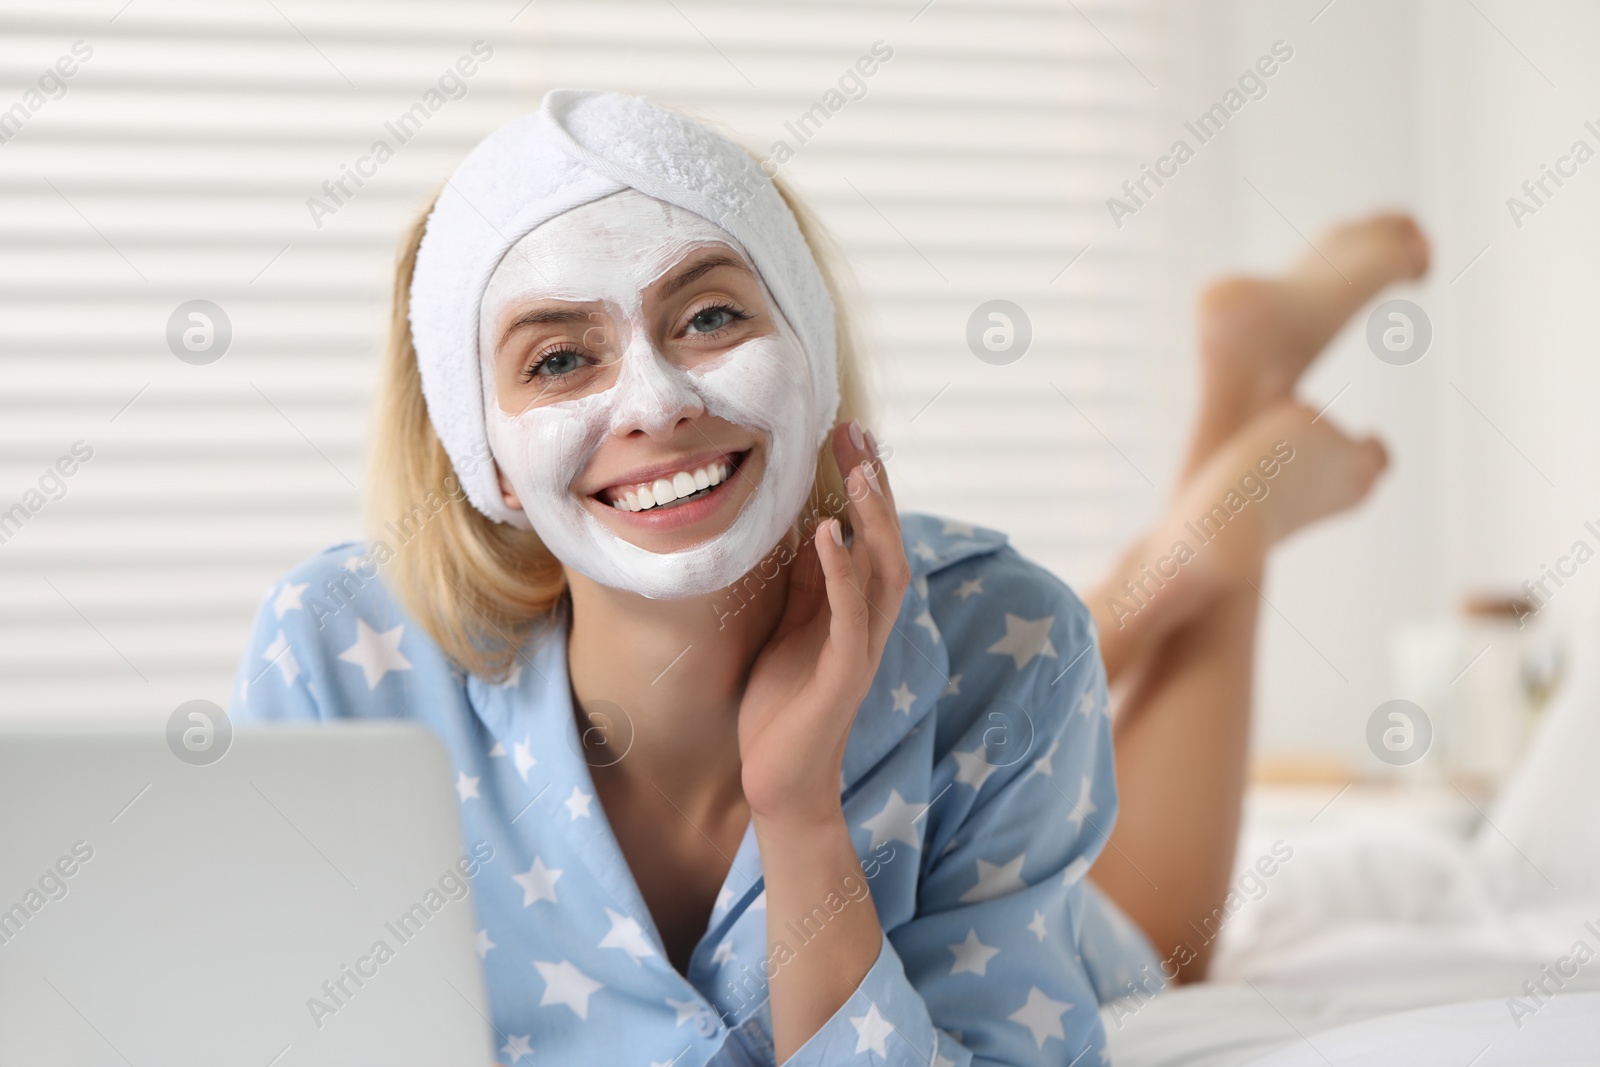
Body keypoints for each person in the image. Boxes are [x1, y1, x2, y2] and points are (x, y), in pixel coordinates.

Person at [229, 89, 1424, 1064]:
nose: (655, 400)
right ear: (476, 447)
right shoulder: (340, 659)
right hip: (962, 642)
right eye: (555, 357)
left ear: (810, 350)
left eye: (706, 316)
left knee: (1168, 940)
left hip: (1010, 725)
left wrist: (800, 809)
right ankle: (1208, 488)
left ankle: (1227, 528)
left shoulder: (1010, 638)